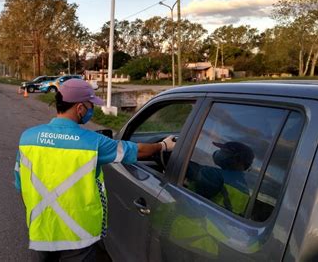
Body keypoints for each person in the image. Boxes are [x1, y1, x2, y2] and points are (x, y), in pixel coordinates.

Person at [13, 79, 176, 262]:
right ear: (80, 108)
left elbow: (20, 184)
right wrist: (162, 145)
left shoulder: (27, 138)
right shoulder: (93, 142)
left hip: (41, 229)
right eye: (91, 105)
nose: (93, 110)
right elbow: (136, 150)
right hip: (78, 236)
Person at [185, 141, 254, 216]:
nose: (218, 153)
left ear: (237, 158)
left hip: (195, 221)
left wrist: (171, 148)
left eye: (223, 151)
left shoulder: (215, 175)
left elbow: (184, 166)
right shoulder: (246, 189)